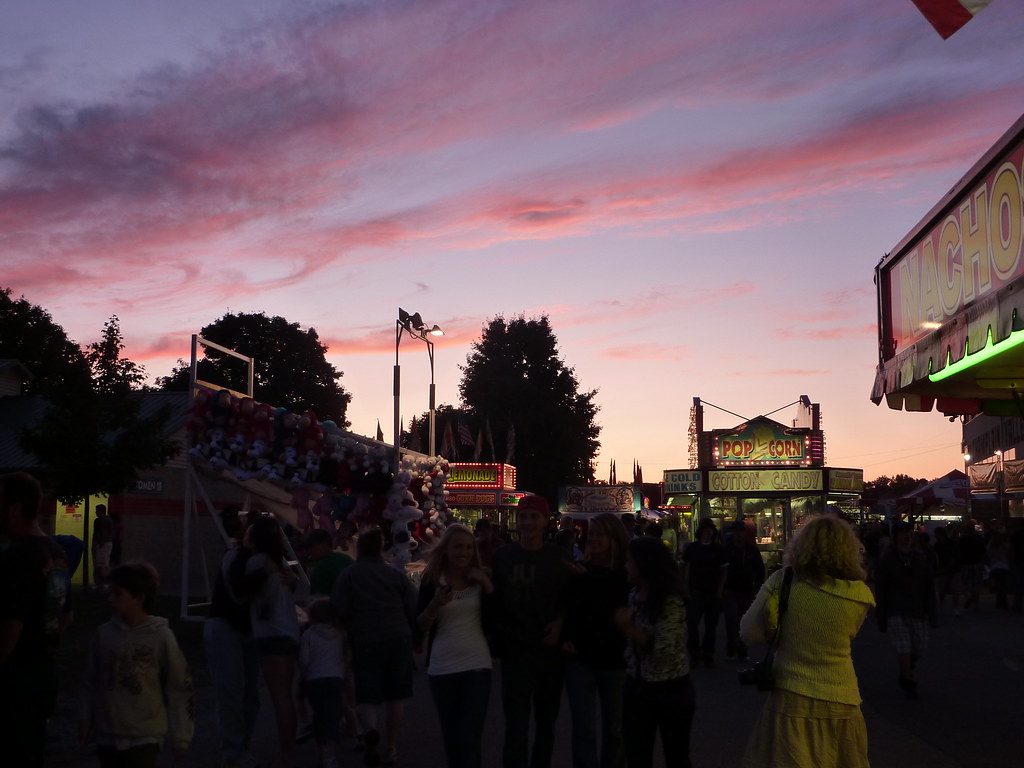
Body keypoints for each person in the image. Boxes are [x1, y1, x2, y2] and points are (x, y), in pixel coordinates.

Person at [740, 514, 875, 768]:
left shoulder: (784, 581)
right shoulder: (859, 594)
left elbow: (748, 633)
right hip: (842, 697)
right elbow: (849, 634)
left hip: (792, 697)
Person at [79, 561, 194, 767]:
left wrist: (181, 735)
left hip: (144, 736)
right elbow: (90, 681)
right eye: (109, 593)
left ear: (139, 598)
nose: (110, 599)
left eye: (117, 594)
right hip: (107, 734)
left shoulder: (160, 636)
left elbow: (179, 686)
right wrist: (85, 718)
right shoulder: (104, 635)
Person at [491, 494, 572, 768]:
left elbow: (570, 598)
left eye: (534, 517)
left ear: (545, 521)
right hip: (515, 651)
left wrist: (560, 624)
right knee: (516, 724)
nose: (528, 522)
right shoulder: (502, 556)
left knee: (546, 722)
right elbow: (493, 600)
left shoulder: (558, 557)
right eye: (524, 516)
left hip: (549, 653)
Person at [332, 527, 417, 767]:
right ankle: (391, 747)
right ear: (380, 548)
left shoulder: (350, 574)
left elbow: (338, 607)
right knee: (396, 696)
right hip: (397, 637)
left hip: (365, 638)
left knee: (367, 694)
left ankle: (370, 732)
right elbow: (413, 601)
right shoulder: (394, 574)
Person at [417, 523, 495, 768]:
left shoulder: (480, 578)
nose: (464, 552)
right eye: (458, 547)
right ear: (446, 550)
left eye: (469, 548)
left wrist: (487, 585)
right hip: (442, 668)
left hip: (477, 666)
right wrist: (434, 605)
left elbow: (496, 621)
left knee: (470, 739)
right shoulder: (432, 580)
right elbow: (418, 626)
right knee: (452, 738)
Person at [614, 535, 695, 768]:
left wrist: (629, 628)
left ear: (644, 563)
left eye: (630, 560)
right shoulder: (634, 595)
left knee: (676, 755)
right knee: (637, 755)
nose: (626, 565)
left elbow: (664, 649)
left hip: (671, 689)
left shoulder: (671, 600)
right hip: (637, 686)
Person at [0, 471, 59, 768]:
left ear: (14, 508)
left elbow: (11, 625)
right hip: (44, 675)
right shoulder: (56, 552)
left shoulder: (18, 556)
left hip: (14, 684)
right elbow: (65, 617)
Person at [562, 512, 630, 768]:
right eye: (592, 534)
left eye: (601, 534)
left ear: (614, 538)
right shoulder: (580, 570)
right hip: (580, 659)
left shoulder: (625, 574)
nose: (594, 539)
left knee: (615, 729)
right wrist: (566, 636)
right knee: (584, 728)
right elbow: (568, 608)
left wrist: (586, 580)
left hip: (616, 658)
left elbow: (615, 607)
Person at [204, 505, 260, 768]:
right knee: (232, 693)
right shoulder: (236, 557)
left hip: (246, 629)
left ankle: (240, 748)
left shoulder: (258, 558)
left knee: (249, 696)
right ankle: (234, 752)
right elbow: (238, 593)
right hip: (226, 626)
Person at [245, 512, 302, 768]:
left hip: (270, 634)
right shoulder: (282, 564)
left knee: (280, 698)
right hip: (288, 631)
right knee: (285, 696)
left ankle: (287, 754)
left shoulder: (256, 563)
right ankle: (289, 749)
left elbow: (246, 592)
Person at [875, 521, 938, 699]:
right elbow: (881, 587)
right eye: (903, 533)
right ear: (895, 536)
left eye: (909, 533)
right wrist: (881, 613)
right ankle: (907, 679)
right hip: (896, 608)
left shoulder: (920, 556)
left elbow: (929, 584)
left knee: (919, 647)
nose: (907, 536)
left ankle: (907, 668)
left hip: (918, 608)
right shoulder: (888, 558)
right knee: (903, 646)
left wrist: (932, 610)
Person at [299, 597, 346, 768]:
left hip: (314, 680)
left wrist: (303, 677)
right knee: (332, 717)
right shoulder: (340, 634)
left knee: (319, 715)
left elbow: (304, 660)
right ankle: (330, 754)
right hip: (335, 679)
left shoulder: (308, 635)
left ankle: (321, 751)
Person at [681, 517, 727, 667]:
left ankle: (708, 653)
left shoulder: (718, 549)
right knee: (692, 624)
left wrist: (719, 590)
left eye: (710, 530)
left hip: (712, 592)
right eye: (706, 530)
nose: (708, 533)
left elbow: (724, 571)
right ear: (700, 532)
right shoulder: (692, 548)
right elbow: (684, 567)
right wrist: (685, 587)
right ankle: (695, 652)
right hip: (695, 591)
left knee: (711, 626)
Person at [723, 520, 765, 662]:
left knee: (739, 619)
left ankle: (738, 647)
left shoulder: (747, 550)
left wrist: (757, 586)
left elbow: (759, 570)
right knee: (734, 618)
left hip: (745, 589)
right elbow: (759, 570)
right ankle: (735, 646)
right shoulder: (733, 550)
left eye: (741, 532)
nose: (739, 535)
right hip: (732, 589)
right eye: (737, 532)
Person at [92, 503, 115, 589]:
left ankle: (101, 582)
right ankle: (101, 583)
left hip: (103, 544)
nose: (96, 512)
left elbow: (102, 533)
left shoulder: (102, 521)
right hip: (104, 543)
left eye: (97, 510)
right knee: (102, 564)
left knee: (101, 564)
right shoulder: (106, 520)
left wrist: (99, 543)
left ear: (102, 511)